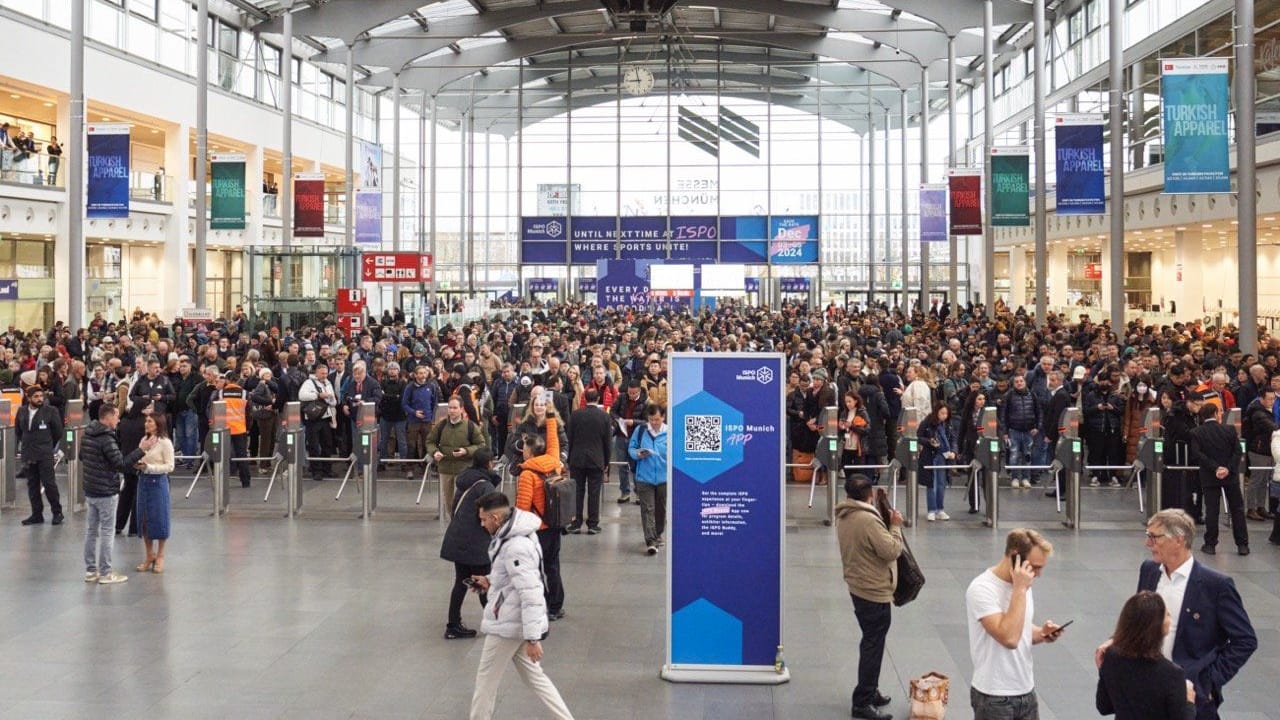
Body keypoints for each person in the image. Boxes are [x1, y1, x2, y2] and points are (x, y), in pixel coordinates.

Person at [1094, 509, 1256, 720]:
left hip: (1189, 692)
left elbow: (1245, 640)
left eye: (1154, 537)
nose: (1148, 543)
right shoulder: (1149, 571)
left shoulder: (1216, 586)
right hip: (1143, 688)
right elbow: (1139, 621)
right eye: (1147, 536)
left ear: (1178, 540)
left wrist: (1208, 681)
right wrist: (1117, 641)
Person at [467, 491, 574, 720]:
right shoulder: (513, 535)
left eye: (484, 519)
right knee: (536, 679)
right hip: (515, 621)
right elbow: (513, 578)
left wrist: (533, 638)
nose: (482, 524)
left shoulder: (515, 546)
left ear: (496, 518)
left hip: (508, 625)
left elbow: (531, 592)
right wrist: (490, 581)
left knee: (485, 682)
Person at [966, 528, 1066, 720]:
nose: (1037, 575)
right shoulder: (982, 589)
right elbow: (1009, 638)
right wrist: (1019, 589)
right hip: (994, 696)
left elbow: (1021, 630)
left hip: (1026, 690)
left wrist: (1042, 633)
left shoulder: (1023, 582)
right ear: (1014, 556)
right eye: (1035, 567)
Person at [835, 474, 903, 720]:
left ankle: (870, 689)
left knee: (872, 640)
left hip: (857, 585)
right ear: (870, 495)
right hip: (873, 590)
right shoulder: (866, 520)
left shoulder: (845, 515)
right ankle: (862, 701)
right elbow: (891, 550)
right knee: (873, 644)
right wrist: (895, 525)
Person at [1096, 591, 1197, 720]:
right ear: (1157, 626)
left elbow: (1104, 707)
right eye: (1167, 615)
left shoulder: (1111, 656)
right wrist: (1189, 701)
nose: (1170, 617)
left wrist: (1104, 672)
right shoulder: (1172, 674)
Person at [80, 404, 146, 584]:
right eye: (116, 416)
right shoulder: (107, 439)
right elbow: (121, 464)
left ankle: (91, 570)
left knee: (91, 531)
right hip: (106, 491)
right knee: (108, 532)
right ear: (108, 417)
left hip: (90, 489)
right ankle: (106, 572)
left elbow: (81, 456)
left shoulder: (87, 434)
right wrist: (141, 450)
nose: (118, 419)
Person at [440, 449, 498, 640]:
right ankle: (495, 624)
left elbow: (454, 507)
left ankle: (453, 624)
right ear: (489, 463)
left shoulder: (465, 481)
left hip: (458, 538)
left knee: (460, 582)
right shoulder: (486, 486)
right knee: (483, 582)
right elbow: (490, 516)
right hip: (476, 542)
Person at [514, 411, 567, 620]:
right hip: (554, 524)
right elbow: (553, 441)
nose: (523, 451)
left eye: (525, 447)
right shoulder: (553, 462)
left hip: (537, 530)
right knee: (553, 566)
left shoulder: (528, 474)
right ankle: (556, 605)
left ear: (530, 452)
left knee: (535, 569)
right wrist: (551, 417)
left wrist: (516, 531)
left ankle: (543, 604)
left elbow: (522, 507)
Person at [1187, 404, 1247, 555]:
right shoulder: (1230, 430)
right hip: (1231, 476)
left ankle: (1210, 544)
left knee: (1212, 510)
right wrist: (1227, 468)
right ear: (1216, 413)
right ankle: (1242, 544)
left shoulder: (1196, 432)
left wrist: (1215, 468)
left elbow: (1197, 454)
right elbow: (1238, 451)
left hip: (1209, 476)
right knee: (1237, 509)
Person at [428, 396, 487, 517]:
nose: (452, 411)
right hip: (445, 470)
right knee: (449, 503)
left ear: (461, 409)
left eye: (455, 408)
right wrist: (434, 452)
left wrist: (466, 451)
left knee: (462, 502)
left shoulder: (470, 426)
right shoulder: (441, 426)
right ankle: (453, 525)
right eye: (450, 408)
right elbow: (430, 441)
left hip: (464, 469)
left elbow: (481, 445)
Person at [565, 388, 611, 535]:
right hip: (597, 459)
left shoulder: (575, 415)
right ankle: (592, 524)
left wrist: (569, 458)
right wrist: (606, 461)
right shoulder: (604, 416)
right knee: (594, 492)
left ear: (584, 398)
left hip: (576, 459)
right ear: (598, 399)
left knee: (577, 492)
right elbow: (607, 442)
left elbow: (569, 438)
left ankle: (576, 523)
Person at [16, 385, 63, 526]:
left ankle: (57, 512)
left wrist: (47, 445)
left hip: (44, 453)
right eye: (36, 397)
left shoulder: (51, 411)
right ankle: (36, 514)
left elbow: (58, 432)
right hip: (28, 453)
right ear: (28, 398)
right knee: (32, 485)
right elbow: (19, 431)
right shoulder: (22, 411)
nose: (39, 399)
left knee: (49, 484)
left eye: (41, 396)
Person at [134, 413, 175, 574]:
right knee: (144, 519)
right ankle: (149, 554)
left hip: (158, 483)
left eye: (150, 421)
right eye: (146, 421)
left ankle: (160, 555)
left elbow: (170, 466)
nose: (146, 423)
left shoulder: (165, 443)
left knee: (159, 518)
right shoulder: (144, 441)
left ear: (158, 423)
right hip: (143, 481)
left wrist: (150, 468)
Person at [629, 403, 669, 555]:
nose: (654, 423)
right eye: (651, 419)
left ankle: (658, 533)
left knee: (661, 509)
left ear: (663, 417)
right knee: (648, 509)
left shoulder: (669, 433)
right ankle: (651, 541)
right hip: (644, 478)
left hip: (663, 478)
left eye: (657, 419)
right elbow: (631, 449)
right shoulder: (641, 431)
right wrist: (638, 454)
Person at [999, 374, 1043, 489]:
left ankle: (1025, 478)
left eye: (1021, 381)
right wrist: (1005, 431)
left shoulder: (1032, 394)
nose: (1019, 383)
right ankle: (1014, 478)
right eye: (1017, 381)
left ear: (1025, 382)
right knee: (1013, 455)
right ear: (1013, 384)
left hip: (1029, 431)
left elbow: (1039, 412)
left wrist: (1037, 427)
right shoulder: (1008, 395)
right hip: (1014, 430)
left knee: (1027, 456)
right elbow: (1003, 414)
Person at [609, 378, 647, 503]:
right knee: (621, 466)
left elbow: (647, 422)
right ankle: (625, 492)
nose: (631, 395)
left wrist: (633, 422)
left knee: (636, 467)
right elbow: (613, 412)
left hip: (636, 439)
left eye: (634, 393)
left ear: (639, 391)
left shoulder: (645, 402)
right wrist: (619, 420)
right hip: (621, 436)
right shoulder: (622, 398)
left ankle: (639, 493)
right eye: (629, 392)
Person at [298, 363, 338, 481]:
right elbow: (302, 395)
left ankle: (327, 469)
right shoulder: (309, 383)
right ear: (316, 373)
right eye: (322, 373)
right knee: (314, 445)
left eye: (326, 373)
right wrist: (318, 395)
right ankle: (316, 471)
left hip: (326, 417)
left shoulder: (328, 383)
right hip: (313, 419)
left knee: (327, 444)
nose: (324, 375)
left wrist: (330, 398)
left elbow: (334, 402)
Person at [917, 403, 956, 521]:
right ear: (936, 412)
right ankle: (932, 510)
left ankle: (940, 509)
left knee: (941, 483)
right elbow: (918, 436)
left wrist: (953, 451)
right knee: (931, 483)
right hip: (931, 456)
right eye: (942, 413)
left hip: (944, 457)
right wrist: (930, 442)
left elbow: (953, 438)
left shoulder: (948, 425)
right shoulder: (927, 423)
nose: (944, 416)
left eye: (946, 414)